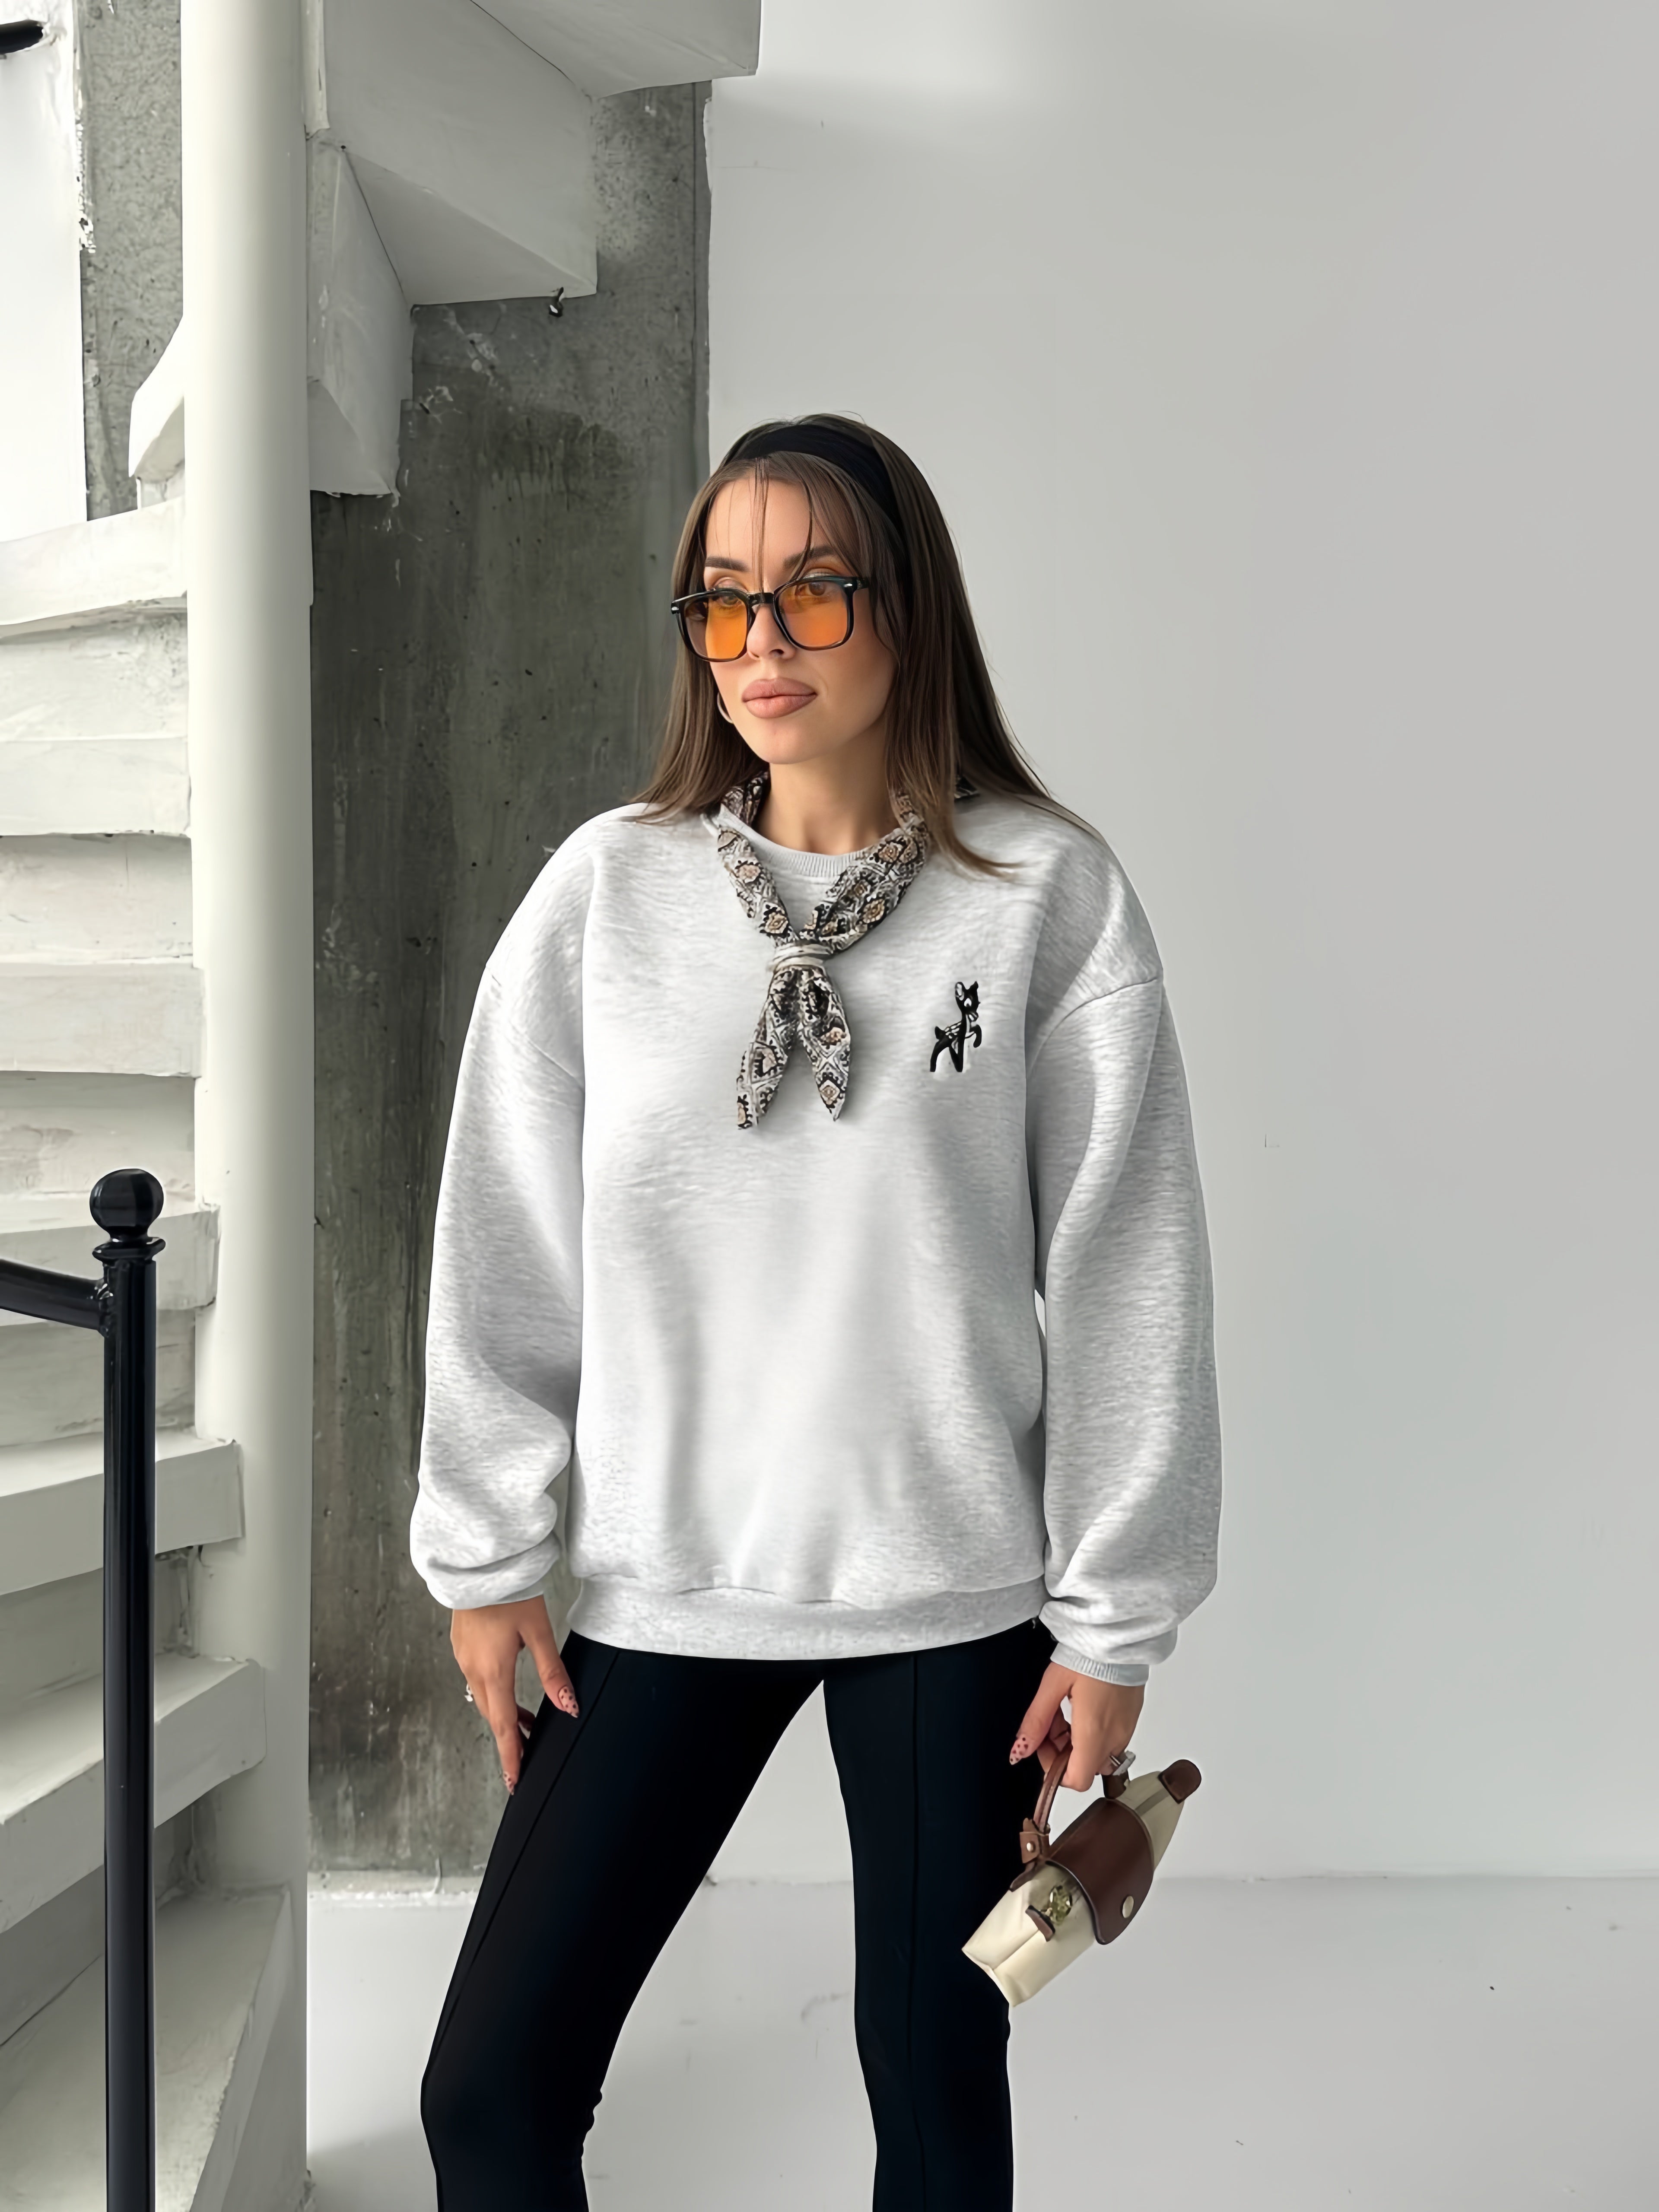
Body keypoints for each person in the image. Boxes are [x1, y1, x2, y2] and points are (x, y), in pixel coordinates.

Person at [412, 414, 1222, 2209]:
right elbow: (504, 1230)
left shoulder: (1044, 899)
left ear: (906, 605)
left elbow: (1126, 1266)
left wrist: (1114, 1618)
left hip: (948, 1594)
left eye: (813, 591)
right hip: (664, 1575)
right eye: (721, 602)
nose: (760, 641)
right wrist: (486, 1546)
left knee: (932, 2093)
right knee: (492, 2086)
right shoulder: (609, 895)